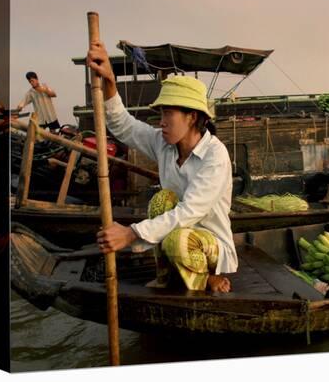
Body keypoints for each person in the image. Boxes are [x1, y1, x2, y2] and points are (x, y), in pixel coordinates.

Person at [88, 41, 236, 293]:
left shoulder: (215, 154)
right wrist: (110, 81)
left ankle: (207, 278)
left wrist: (131, 233)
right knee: (162, 199)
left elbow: (190, 211)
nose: (162, 121)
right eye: (161, 114)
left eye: (168, 114)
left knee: (179, 240)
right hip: (174, 238)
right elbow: (124, 125)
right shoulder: (164, 144)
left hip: (210, 246)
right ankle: (167, 273)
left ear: (191, 117)